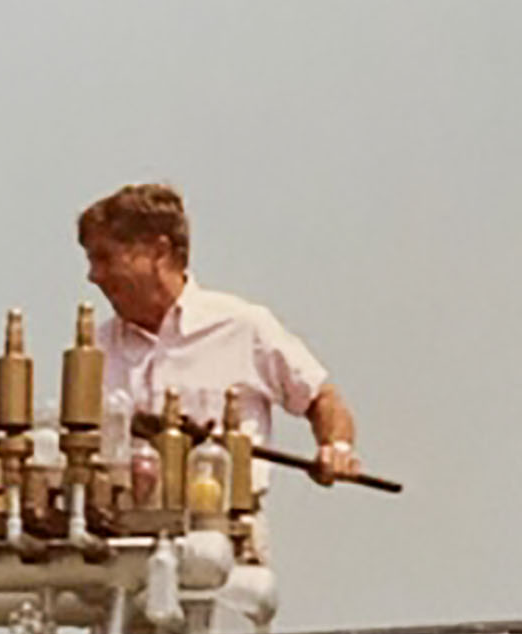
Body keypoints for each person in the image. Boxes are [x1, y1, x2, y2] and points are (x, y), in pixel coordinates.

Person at [77, 183, 360, 484]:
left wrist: (336, 448)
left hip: (225, 527)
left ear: (159, 252)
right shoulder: (95, 351)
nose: (94, 276)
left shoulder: (243, 327)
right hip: (122, 527)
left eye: (105, 258)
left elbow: (321, 397)